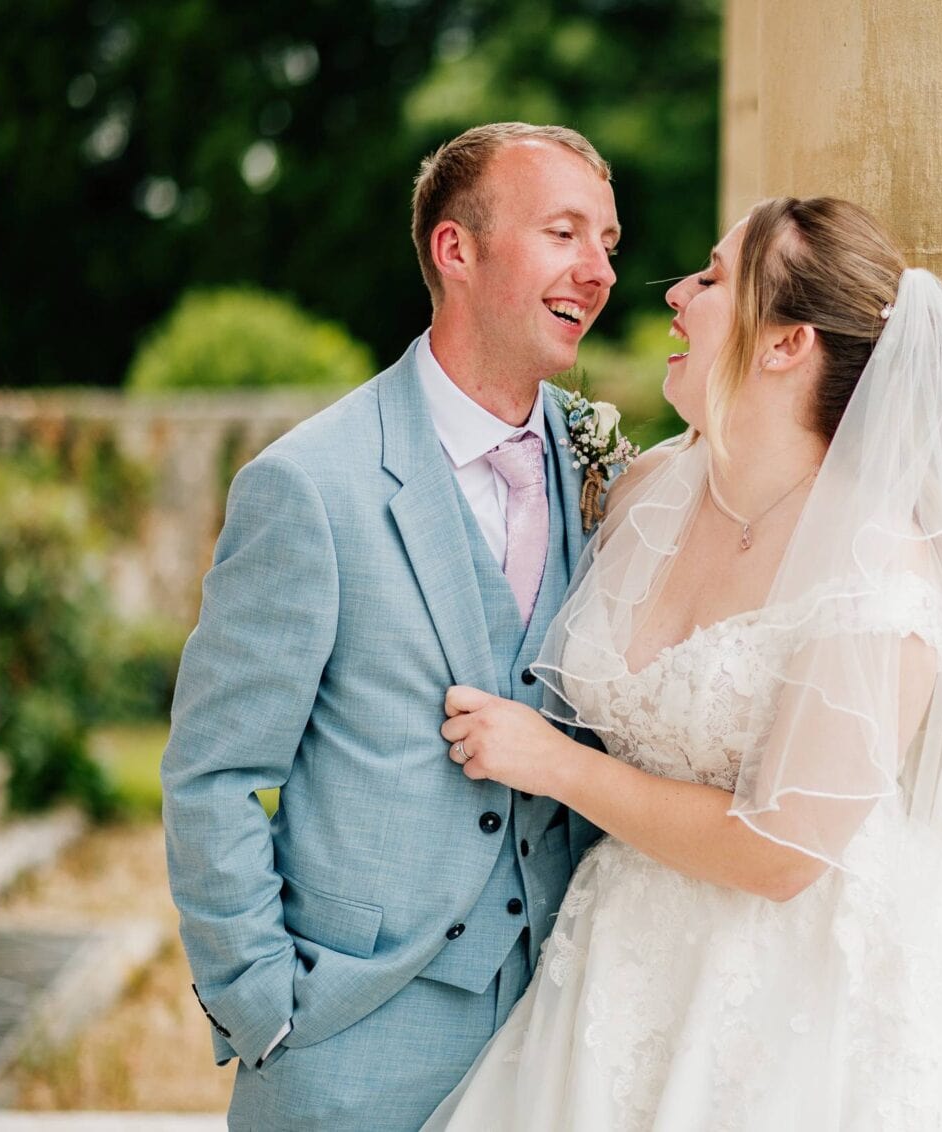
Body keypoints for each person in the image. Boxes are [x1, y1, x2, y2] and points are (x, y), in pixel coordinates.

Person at [425, 197, 942, 1130]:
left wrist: (552, 764)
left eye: (712, 279)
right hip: (615, 969)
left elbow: (781, 853)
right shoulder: (645, 491)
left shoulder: (876, 568)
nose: (674, 292)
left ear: (786, 343)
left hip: (801, 1003)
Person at [161, 122, 623, 1130]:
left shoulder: (611, 483)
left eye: (607, 243)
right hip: (347, 1048)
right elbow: (214, 772)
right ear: (455, 251)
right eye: (562, 233)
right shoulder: (309, 486)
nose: (595, 271)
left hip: (563, 1038)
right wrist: (263, 1006)